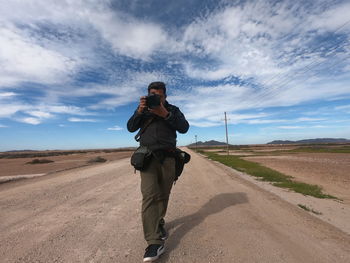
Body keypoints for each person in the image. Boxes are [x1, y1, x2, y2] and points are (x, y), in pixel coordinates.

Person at [127, 81, 189, 262]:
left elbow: (184, 128)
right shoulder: (143, 110)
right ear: (147, 95)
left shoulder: (174, 110)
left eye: (159, 95)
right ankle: (154, 242)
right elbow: (130, 127)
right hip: (148, 158)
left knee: (163, 194)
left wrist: (166, 114)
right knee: (149, 196)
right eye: (153, 95)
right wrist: (139, 110)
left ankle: (159, 222)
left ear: (165, 96)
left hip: (169, 158)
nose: (156, 98)